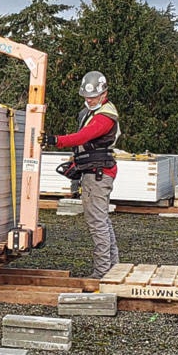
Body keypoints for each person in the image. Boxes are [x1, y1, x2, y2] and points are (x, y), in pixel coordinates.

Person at [43, 71, 121, 279]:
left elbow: (83, 137)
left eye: (93, 96)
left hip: (98, 173)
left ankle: (103, 272)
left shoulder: (105, 116)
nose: (89, 100)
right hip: (93, 170)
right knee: (101, 220)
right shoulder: (89, 113)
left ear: (104, 93)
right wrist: (74, 162)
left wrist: (55, 140)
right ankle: (113, 267)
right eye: (87, 97)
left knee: (97, 222)